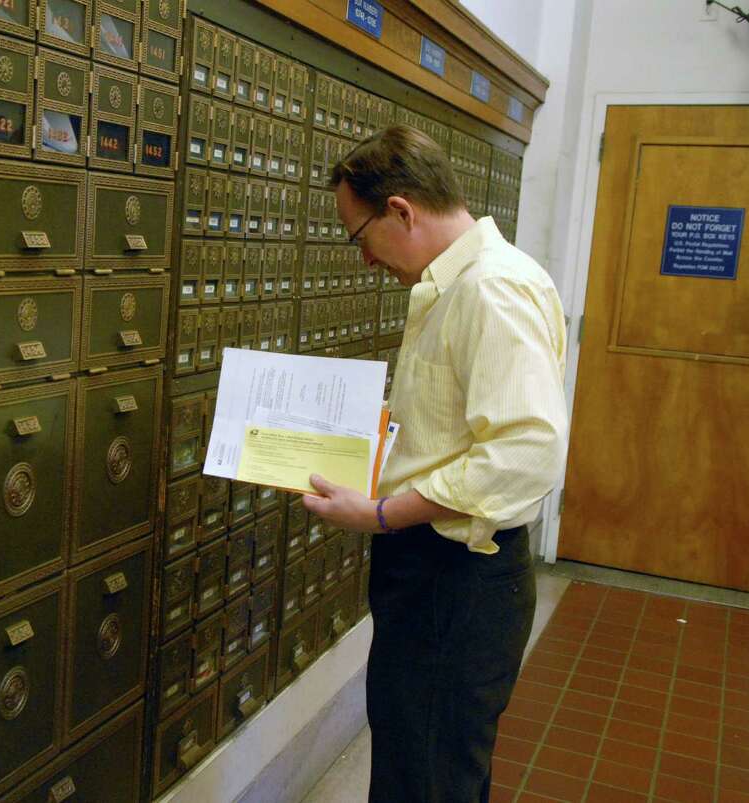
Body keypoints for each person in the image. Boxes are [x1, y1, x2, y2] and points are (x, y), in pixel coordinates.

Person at [302, 125, 568, 802]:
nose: (363, 261)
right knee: (419, 764)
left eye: (357, 236)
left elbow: (524, 452)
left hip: (457, 583)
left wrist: (383, 511)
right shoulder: (453, 286)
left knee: (427, 777)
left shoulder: (489, 290)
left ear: (400, 210)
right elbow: (460, 422)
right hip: (436, 577)